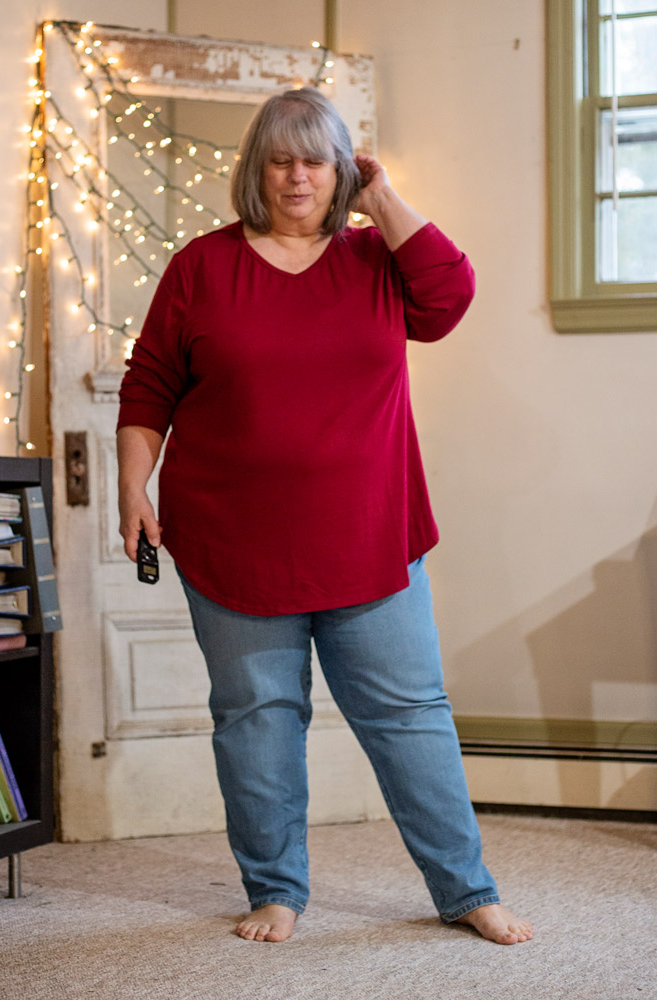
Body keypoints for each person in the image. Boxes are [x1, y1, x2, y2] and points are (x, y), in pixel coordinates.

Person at [117, 86, 533, 946]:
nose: (296, 176)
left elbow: (451, 297)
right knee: (257, 722)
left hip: (370, 536)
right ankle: (276, 891)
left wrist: (377, 195)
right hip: (232, 540)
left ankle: (465, 889)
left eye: (315, 159)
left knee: (409, 716)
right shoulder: (202, 266)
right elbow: (149, 384)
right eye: (279, 159)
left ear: (339, 168)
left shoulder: (377, 260)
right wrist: (132, 487)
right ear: (255, 170)